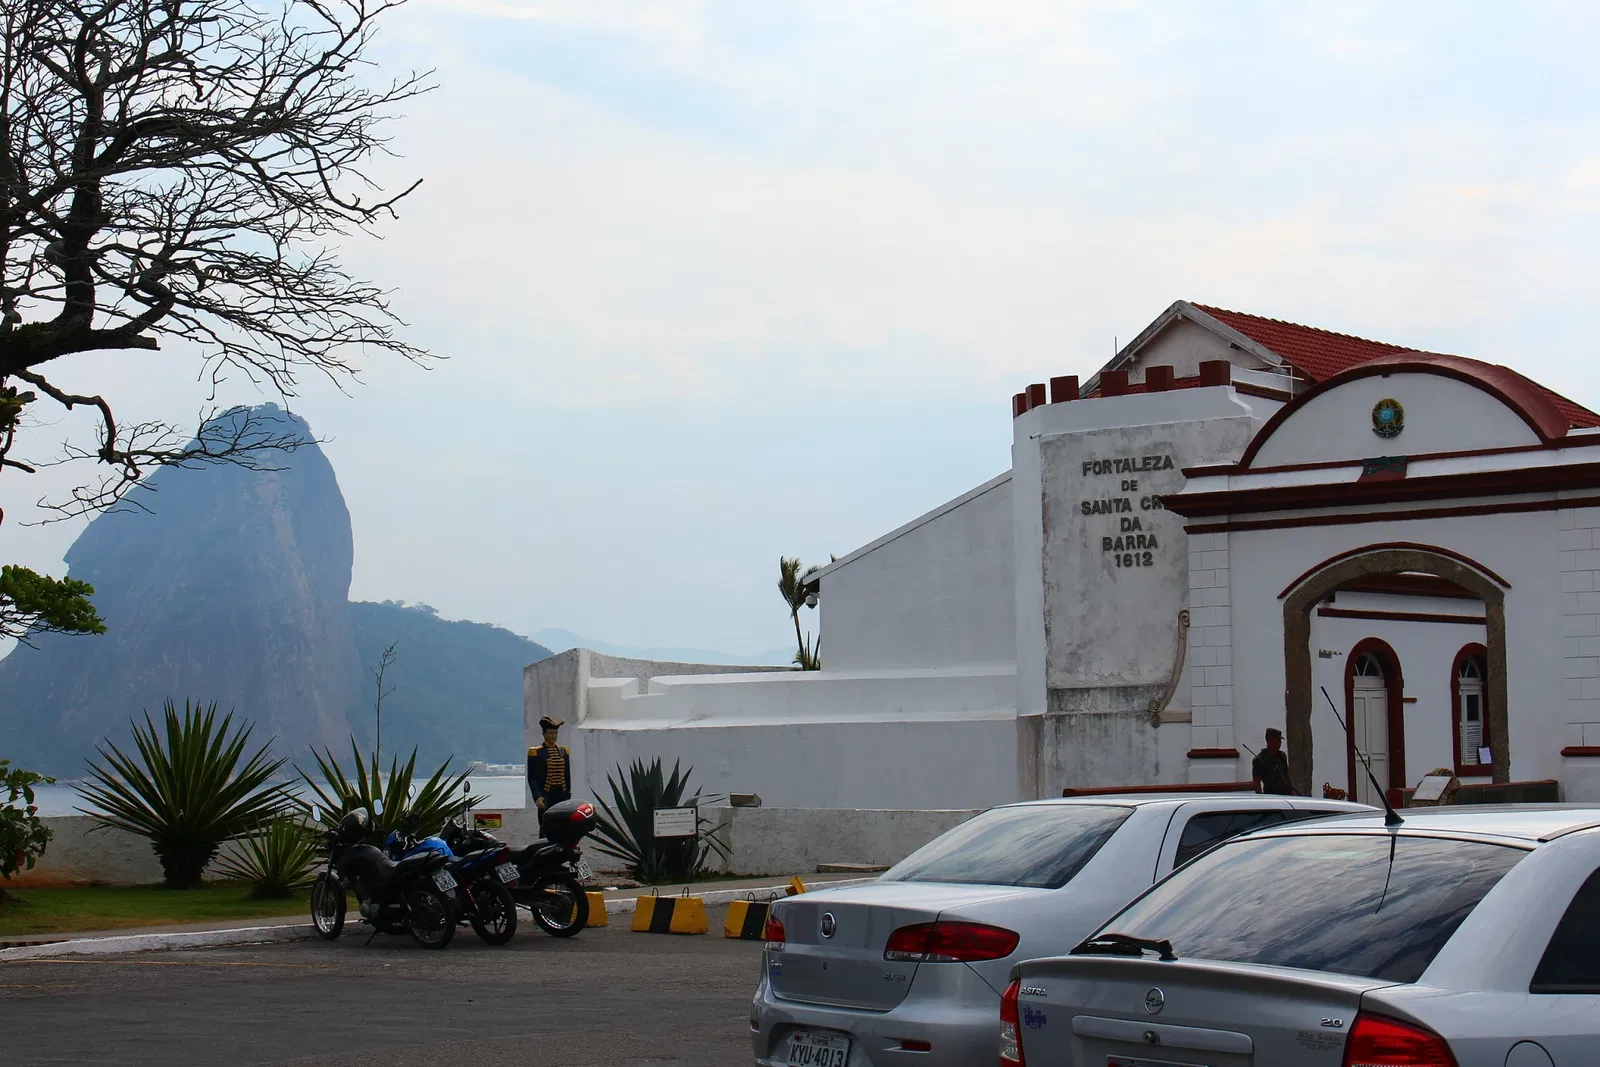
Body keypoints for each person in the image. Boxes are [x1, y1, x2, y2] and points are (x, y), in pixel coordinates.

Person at [527, 716, 572, 814]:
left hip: (562, 795)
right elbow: (532, 778)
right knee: (545, 824)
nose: (554, 736)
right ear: (544, 734)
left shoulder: (564, 751)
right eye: (551, 733)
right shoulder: (536, 752)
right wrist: (537, 796)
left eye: (556, 733)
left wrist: (568, 794)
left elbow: (567, 775)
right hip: (545, 796)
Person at [1252, 727, 1294, 795]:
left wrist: (1291, 792)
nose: (1280, 742)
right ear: (1270, 739)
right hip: (1271, 795)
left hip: (1285, 794)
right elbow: (1256, 782)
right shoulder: (1259, 759)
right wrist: (1261, 798)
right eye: (1278, 740)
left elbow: (1287, 776)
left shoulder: (1282, 756)